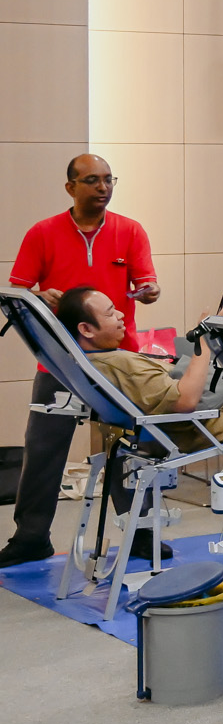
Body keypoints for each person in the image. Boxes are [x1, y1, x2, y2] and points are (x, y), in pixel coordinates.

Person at [0, 155, 161, 567]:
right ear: (70, 187)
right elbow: (16, 293)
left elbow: (148, 284)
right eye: (92, 180)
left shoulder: (130, 230)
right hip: (59, 361)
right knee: (43, 448)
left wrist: (149, 291)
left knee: (129, 450)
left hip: (118, 363)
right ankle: (30, 537)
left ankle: (141, 534)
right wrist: (39, 296)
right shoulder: (43, 233)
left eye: (109, 179)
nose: (103, 188)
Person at [55, 287, 223, 559]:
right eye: (110, 313)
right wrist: (204, 343)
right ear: (86, 329)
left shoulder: (91, 362)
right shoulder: (121, 365)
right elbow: (186, 400)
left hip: (207, 413)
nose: (121, 316)